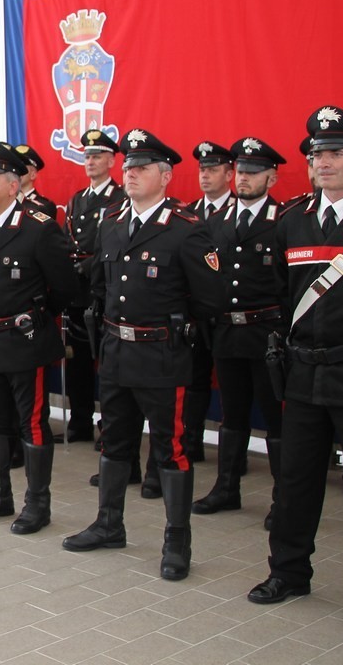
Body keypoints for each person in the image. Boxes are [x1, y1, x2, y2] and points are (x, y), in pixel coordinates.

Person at [246, 106, 343, 643]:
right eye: (316, 154)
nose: (323, 161)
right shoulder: (292, 221)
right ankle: (288, 572)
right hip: (304, 378)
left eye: (335, 152)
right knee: (295, 483)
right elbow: (279, 294)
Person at [63, 129, 223, 582]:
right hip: (115, 351)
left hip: (162, 355)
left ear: (166, 176)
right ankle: (109, 523)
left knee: (170, 449)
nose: (131, 174)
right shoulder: (112, 221)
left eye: (142, 168)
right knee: (114, 441)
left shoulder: (186, 229)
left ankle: (177, 540)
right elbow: (101, 285)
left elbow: (209, 299)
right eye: (128, 167)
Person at [0, 142, 77, 534]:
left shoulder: (39, 227)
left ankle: (37, 504)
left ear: (14, 185)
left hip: (26, 341)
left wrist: (36, 319)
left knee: (32, 423)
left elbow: (64, 288)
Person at [193, 137, 286, 527]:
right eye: (241, 172)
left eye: (253, 172)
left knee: (276, 418)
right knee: (232, 415)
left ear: (271, 177)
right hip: (227, 334)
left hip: (267, 334)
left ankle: (285, 499)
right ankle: (227, 488)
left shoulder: (284, 221)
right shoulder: (215, 222)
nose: (245, 179)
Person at [62, 130, 125, 445]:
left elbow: (115, 245)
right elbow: (66, 240)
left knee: (106, 361)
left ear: (112, 161)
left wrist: (89, 266)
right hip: (77, 291)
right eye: (87, 156)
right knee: (77, 360)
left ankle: (110, 424)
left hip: (102, 287)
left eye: (97, 155)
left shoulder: (120, 198)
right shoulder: (78, 199)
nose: (90, 161)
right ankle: (80, 420)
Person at [182, 141, 237, 463]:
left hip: (234, 313)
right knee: (195, 378)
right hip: (199, 313)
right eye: (202, 170)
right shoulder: (189, 213)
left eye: (213, 169)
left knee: (234, 387)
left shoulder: (238, 211)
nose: (205, 175)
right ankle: (193, 441)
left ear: (229, 174)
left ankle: (234, 455)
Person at [14, 143, 60, 222]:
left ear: (33, 175)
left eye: (22, 168)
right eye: (15, 166)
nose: (17, 171)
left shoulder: (45, 206)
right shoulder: (6, 201)